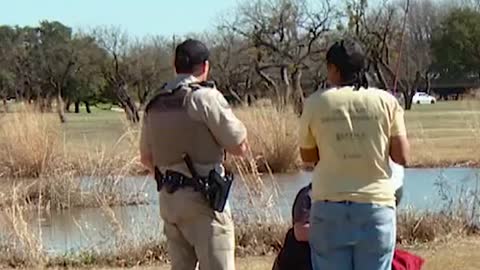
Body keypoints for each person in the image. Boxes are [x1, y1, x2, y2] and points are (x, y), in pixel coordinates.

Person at [298, 38, 410, 270]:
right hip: (376, 207)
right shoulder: (386, 101)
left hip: (328, 208)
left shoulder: (315, 103)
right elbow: (402, 157)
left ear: (333, 69)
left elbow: (308, 157)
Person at [139, 39, 248, 270]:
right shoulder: (205, 98)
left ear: (175, 65)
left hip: (169, 201)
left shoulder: (155, 103)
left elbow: (146, 160)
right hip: (203, 201)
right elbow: (239, 146)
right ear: (205, 66)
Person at [272, 176, 425, 270]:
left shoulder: (355, 194)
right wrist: (341, 234)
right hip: (310, 253)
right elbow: (300, 232)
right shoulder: (310, 193)